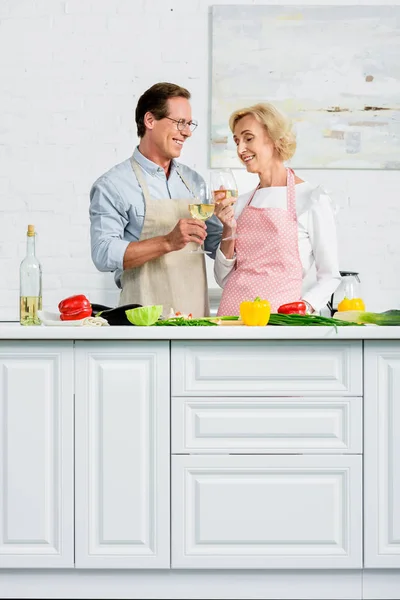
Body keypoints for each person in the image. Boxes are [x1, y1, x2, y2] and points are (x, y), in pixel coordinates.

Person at [89, 82, 222, 318]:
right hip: (141, 321)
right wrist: (168, 242)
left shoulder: (195, 182)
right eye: (180, 122)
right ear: (150, 121)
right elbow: (103, 253)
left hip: (194, 321)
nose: (187, 132)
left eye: (189, 124)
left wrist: (230, 224)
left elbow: (216, 246)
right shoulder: (113, 185)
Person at [214, 102, 341, 316]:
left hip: (280, 322)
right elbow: (223, 278)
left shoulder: (311, 199)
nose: (240, 149)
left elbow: (330, 275)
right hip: (230, 318)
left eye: (248, 138)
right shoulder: (241, 203)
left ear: (273, 138)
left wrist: (306, 305)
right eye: (236, 141)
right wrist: (227, 229)